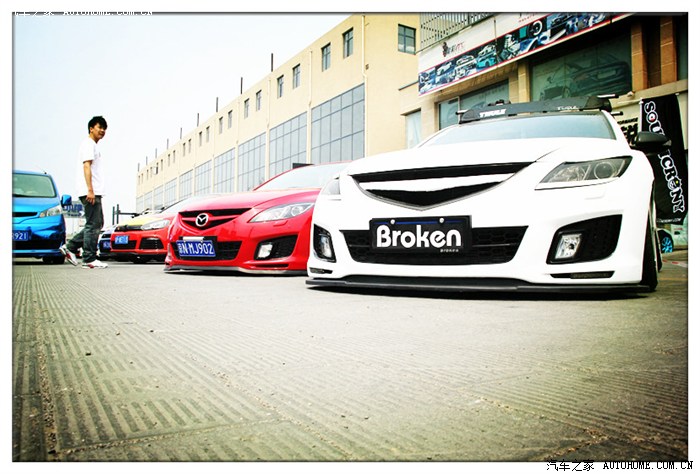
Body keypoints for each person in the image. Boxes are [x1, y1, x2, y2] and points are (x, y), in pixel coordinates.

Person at [60, 116, 109, 269]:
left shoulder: (92, 145)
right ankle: (89, 258)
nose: (102, 130)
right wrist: (90, 190)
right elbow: (86, 166)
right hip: (90, 191)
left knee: (96, 223)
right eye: (99, 127)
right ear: (91, 128)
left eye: (104, 128)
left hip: (93, 190)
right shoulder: (88, 144)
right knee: (93, 224)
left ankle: (70, 246)